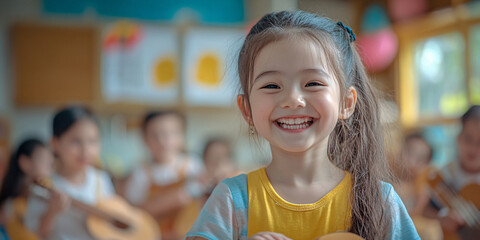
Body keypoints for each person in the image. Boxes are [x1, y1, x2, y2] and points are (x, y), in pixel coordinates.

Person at [186, 11, 419, 240]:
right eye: (271, 86)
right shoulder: (232, 199)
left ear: (346, 103)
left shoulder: (380, 200)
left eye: (313, 83)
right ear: (246, 109)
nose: (292, 99)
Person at [24, 106, 116, 240]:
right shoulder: (46, 184)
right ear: (55, 143)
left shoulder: (101, 179)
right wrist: (52, 211)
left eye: (92, 141)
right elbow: (39, 233)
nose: (85, 150)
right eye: (76, 141)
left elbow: (111, 223)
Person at [125, 110, 205, 240]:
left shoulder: (192, 165)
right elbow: (133, 212)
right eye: (155, 135)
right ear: (144, 139)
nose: (163, 141)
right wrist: (178, 197)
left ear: (182, 135)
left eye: (170, 133)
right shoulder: (140, 173)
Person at [427, 105, 480, 237]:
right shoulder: (443, 175)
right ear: (458, 137)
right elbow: (424, 209)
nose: (473, 148)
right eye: (468, 139)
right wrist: (441, 218)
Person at [0, 138, 54, 240]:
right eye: (44, 161)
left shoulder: (50, 195)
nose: (49, 168)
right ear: (24, 162)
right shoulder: (12, 205)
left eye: (51, 163)